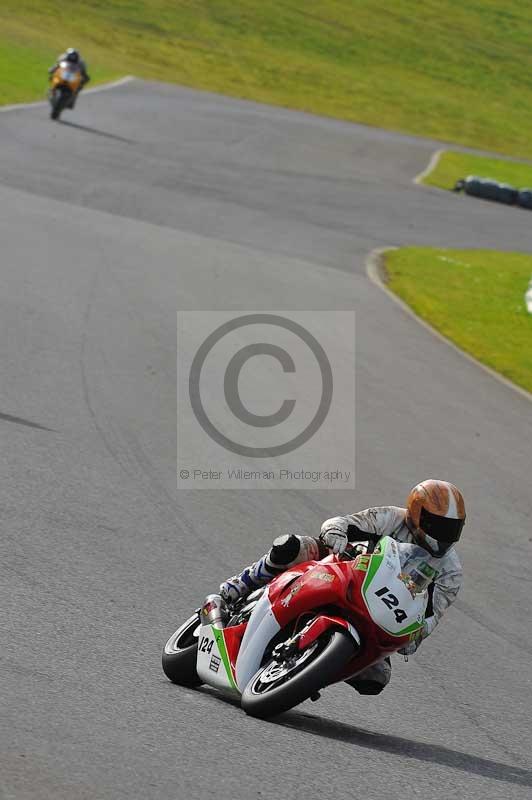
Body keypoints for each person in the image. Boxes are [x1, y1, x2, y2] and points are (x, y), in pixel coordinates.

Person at [220, 479, 465, 695]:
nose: (445, 535)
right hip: (344, 572)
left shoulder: (450, 572)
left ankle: (307, 671)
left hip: (380, 614)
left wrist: (414, 635)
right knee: (292, 547)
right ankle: (243, 584)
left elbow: (430, 618)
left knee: (376, 678)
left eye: (452, 529)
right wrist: (336, 533)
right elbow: (342, 523)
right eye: (438, 526)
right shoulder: (392, 518)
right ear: (416, 513)